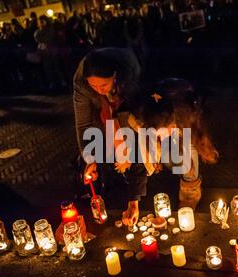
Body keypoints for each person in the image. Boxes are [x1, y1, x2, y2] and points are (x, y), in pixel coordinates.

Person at [117, 78, 218, 227]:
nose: (162, 137)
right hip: (153, 113)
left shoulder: (184, 114)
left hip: (182, 110)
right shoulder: (138, 120)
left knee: (186, 154)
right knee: (162, 154)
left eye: (165, 133)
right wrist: (133, 201)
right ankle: (160, 159)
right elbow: (138, 157)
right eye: (158, 135)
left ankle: (190, 195)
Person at [73, 47, 141, 191]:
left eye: (103, 85)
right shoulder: (82, 84)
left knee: (133, 133)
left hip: (127, 103)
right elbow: (83, 125)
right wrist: (89, 159)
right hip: (103, 112)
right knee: (100, 138)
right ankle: (115, 178)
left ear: (114, 76)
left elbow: (137, 109)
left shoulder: (129, 70)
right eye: (94, 85)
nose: (99, 89)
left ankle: (138, 174)